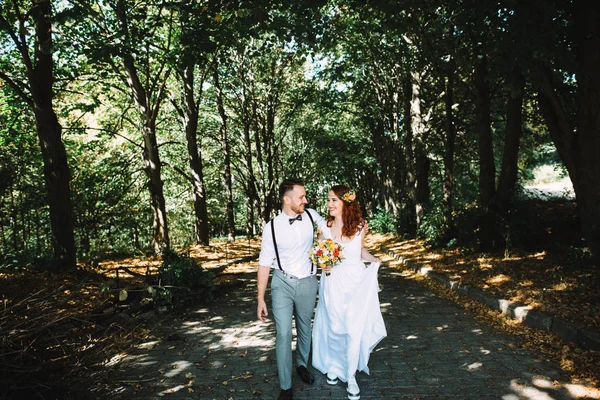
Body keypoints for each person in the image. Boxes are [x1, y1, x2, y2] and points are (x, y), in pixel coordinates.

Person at [311, 185, 387, 400]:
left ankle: (351, 374)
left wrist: (374, 260)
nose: (330, 204)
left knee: (353, 328)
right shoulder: (323, 227)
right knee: (335, 326)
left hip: (356, 282)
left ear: (346, 202)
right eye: (328, 200)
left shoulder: (361, 226)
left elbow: (359, 251)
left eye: (334, 200)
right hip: (333, 281)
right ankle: (334, 365)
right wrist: (323, 264)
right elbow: (320, 253)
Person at [256, 178, 326, 400]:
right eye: (301, 197)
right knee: (284, 332)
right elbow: (264, 264)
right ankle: (286, 386)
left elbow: (332, 230)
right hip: (282, 283)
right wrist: (260, 299)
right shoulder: (271, 228)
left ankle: (302, 365)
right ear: (287, 200)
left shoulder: (312, 216)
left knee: (306, 328)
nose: (305, 200)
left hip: (308, 281)